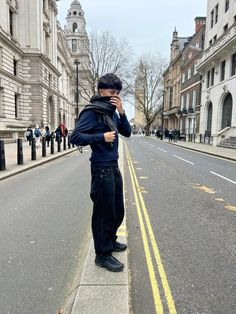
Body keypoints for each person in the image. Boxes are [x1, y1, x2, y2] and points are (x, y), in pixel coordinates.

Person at [70, 73, 131, 272]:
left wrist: (122, 112)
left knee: (116, 209)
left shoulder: (112, 111)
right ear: (100, 91)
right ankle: (102, 255)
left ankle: (111, 241)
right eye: (111, 92)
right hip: (101, 168)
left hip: (113, 166)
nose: (114, 96)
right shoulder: (92, 111)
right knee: (103, 213)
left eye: (118, 93)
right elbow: (75, 137)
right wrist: (101, 137)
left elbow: (127, 132)